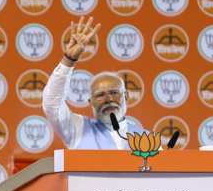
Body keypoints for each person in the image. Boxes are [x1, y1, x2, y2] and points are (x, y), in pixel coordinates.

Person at [42, 16, 145, 149]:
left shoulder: (148, 140)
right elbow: (52, 104)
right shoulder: (78, 129)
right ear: (91, 102)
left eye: (114, 92)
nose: (108, 99)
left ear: (126, 96)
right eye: (100, 95)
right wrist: (68, 60)